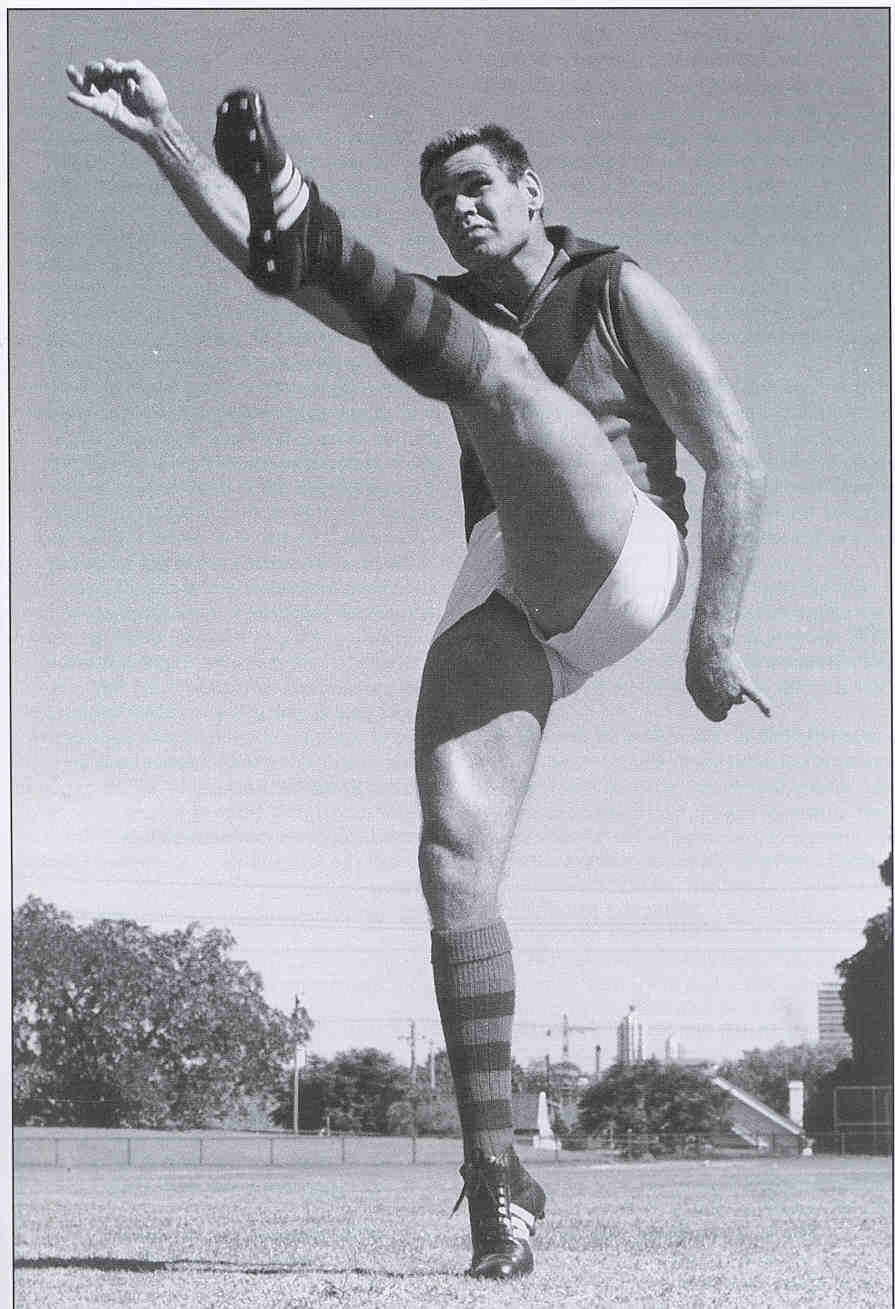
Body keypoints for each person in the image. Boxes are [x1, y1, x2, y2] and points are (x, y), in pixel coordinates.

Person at [66, 58, 771, 1281]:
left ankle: (312, 205)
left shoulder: (614, 286)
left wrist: (714, 636)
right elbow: (278, 267)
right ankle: (499, 1177)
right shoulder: (432, 313)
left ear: (532, 190)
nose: (458, 209)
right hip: (508, 575)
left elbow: (737, 457)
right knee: (453, 857)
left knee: (498, 368)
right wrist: (165, 138)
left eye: (476, 186)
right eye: (440, 200)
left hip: (626, 545)